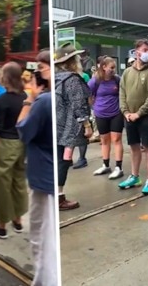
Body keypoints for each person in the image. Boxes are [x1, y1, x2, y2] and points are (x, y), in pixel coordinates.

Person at [16, 50, 56, 286]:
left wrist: (29, 98)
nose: (38, 74)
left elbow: (23, 129)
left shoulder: (43, 101)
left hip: (42, 176)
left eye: (41, 68)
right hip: (47, 175)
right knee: (44, 236)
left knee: (43, 237)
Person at [0, 62, 28, 239]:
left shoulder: (2, 100)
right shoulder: (24, 96)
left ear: (6, 78)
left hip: (5, 144)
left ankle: (2, 226)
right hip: (21, 143)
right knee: (18, 181)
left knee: (2, 185)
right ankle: (18, 220)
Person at [118, 39, 148, 194]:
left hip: (146, 116)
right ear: (136, 52)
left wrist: (139, 113)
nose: (147, 53)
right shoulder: (127, 72)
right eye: (144, 49)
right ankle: (135, 176)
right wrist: (126, 112)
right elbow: (122, 93)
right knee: (134, 146)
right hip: (129, 116)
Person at [56, 42, 92, 210]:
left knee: (58, 160)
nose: (79, 59)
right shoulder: (72, 80)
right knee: (64, 162)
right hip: (67, 130)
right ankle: (59, 197)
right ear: (71, 62)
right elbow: (79, 104)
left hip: (56, 127)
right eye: (77, 57)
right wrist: (86, 125)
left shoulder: (55, 78)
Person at [89, 56, 125, 179]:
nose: (113, 70)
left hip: (116, 113)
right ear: (104, 67)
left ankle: (118, 167)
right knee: (104, 140)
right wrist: (94, 107)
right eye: (111, 67)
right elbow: (88, 93)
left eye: (114, 67)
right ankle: (105, 165)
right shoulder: (96, 81)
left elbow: (124, 94)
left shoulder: (117, 80)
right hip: (100, 114)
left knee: (116, 139)